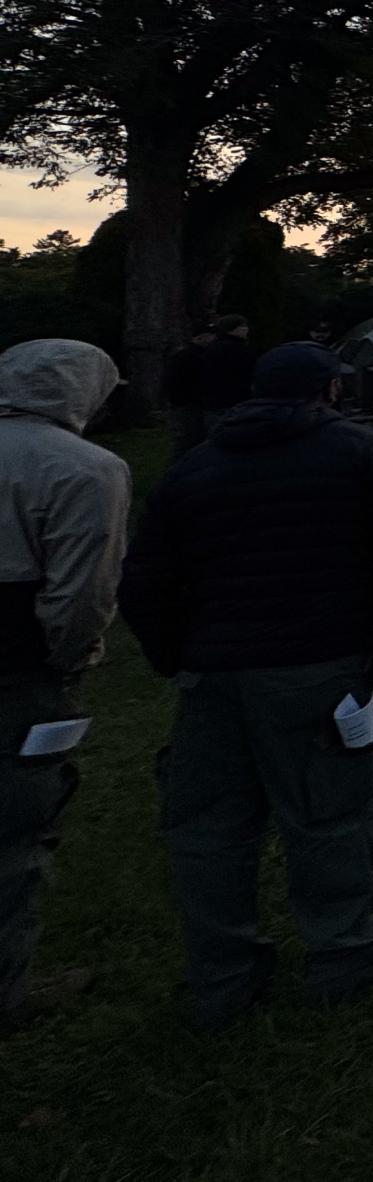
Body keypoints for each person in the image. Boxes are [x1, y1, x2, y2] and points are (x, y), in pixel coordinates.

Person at [119, 342, 373, 1026]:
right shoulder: (359, 454)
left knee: (209, 829)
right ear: (330, 390)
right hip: (319, 662)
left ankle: (221, 974)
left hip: (214, 670)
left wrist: (176, 655)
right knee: (330, 813)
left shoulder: (198, 465)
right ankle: (345, 954)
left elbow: (144, 576)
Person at [0, 340, 131, 1032]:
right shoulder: (85, 469)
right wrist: (72, 659)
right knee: (16, 824)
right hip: (18, 661)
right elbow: (82, 590)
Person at [163, 319, 217, 453]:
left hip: (192, 403)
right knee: (187, 440)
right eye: (211, 335)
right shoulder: (188, 356)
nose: (214, 338)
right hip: (187, 404)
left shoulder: (193, 355)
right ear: (200, 337)